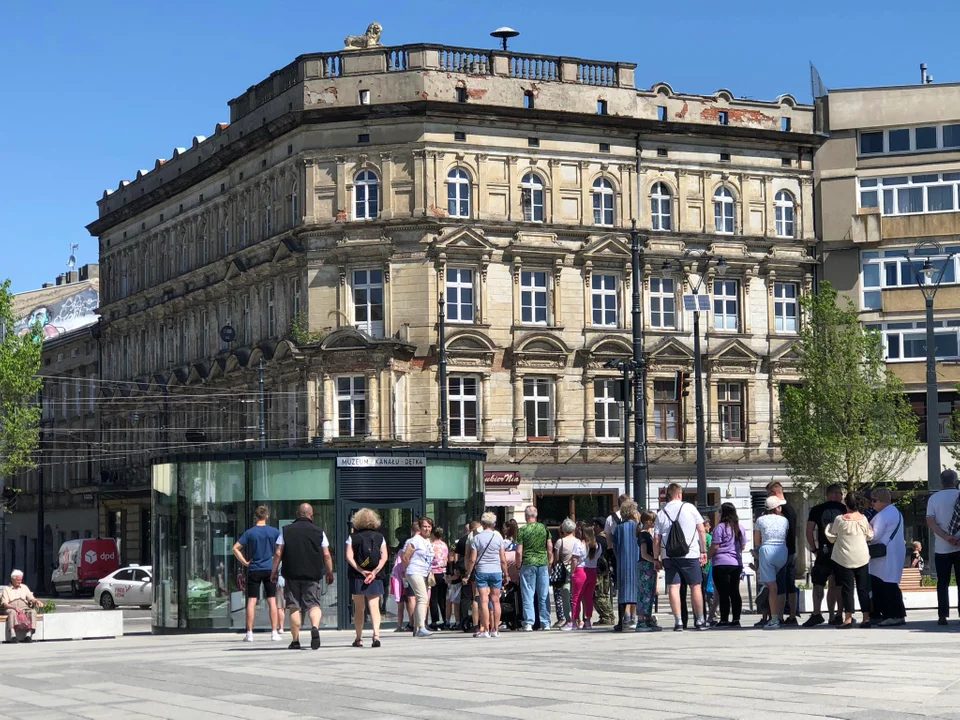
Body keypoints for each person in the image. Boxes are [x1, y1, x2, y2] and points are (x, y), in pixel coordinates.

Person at [270, 503, 334, 650]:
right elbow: (326, 555)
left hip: (291, 574)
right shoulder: (319, 532)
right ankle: (315, 627)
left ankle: (295, 640)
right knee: (313, 604)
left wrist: (273, 571)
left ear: (297, 514)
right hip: (312, 575)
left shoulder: (286, 531)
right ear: (311, 515)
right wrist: (329, 571)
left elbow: (278, 552)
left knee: (294, 607)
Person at [654, 483, 708, 632]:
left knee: (673, 587)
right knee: (695, 585)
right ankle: (700, 620)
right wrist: (703, 551)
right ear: (679, 494)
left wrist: (656, 557)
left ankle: (678, 622)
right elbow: (701, 530)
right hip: (690, 553)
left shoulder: (661, 512)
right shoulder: (690, 508)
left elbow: (656, 538)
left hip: (669, 555)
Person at [232, 505, 282, 642]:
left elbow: (235, 548)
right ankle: (274, 632)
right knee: (272, 600)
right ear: (266, 516)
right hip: (269, 568)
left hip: (254, 568)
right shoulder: (274, 532)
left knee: (251, 601)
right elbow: (280, 549)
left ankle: (249, 633)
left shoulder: (250, 533)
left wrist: (245, 562)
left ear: (256, 516)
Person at [825, 491, 874, 629]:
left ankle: (848, 618)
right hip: (862, 557)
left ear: (846, 503)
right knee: (863, 588)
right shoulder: (863, 518)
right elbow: (870, 535)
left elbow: (833, 534)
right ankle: (866, 618)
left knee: (847, 589)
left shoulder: (840, 519)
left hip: (844, 558)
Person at [804, 483, 846, 627]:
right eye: (839, 493)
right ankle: (837, 614)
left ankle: (817, 613)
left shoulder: (817, 509)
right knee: (837, 584)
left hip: (824, 551)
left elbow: (809, 530)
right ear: (834, 494)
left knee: (819, 582)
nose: (840, 496)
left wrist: (814, 549)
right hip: (841, 551)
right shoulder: (845, 510)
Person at [345, 507, 388, 647]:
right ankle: (376, 636)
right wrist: (374, 571)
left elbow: (348, 556)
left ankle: (359, 638)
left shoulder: (352, 537)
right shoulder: (380, 537)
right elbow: (384, 557)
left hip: (357, 575)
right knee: (374, 606)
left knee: (359, 607)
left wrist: (361, 570)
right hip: (375, 575)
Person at [465, 512, 509, 638]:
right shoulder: (498, 538)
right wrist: (506, 573)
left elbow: (472, 559)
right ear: (494, 524)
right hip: (496, 571)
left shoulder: (476, 538)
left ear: (482, 524)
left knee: (483, 600)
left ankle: (485, 630)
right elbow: (503, 558)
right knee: (496, 600)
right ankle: (495, 629)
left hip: (482, 571)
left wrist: (468, 574)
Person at [925, 468, 960, 626]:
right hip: (959, 546)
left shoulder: (934, 498)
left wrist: (945, 537)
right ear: (955, 480)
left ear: (941, 482)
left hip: (941, 547)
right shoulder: (959, 495)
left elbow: (930, 521)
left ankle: (942, 615)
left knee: (942, 583)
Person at [867, 489, 906, 627]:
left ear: (883, 500)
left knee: (885, 585)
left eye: (874, 500)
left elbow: (874, 535)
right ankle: (896, 614)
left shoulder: (883, 515)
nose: (872, 504)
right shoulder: (895, 512)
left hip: (884, 555)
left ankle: (893, 615)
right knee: (890, 584)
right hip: (893, 552)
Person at [752, 495, 790, 629]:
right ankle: (767, 585)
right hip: (782, 551)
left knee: (772, 587)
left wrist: (756, 554)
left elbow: (757, 542)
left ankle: (774, 619)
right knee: (778, 582)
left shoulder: (760, 520)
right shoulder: (785, 520)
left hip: (767, 550)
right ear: (777, 508)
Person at [766, 481, 798, 625]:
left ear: (774, 493)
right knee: (789, 582)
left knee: (781, 583)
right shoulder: (790, 508)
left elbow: (788, 532)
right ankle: (791, 615)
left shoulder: (784, 510)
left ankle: (779, 615)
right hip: (789, 549)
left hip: (782, 550)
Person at [516, 505, 553, 632]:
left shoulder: (523, 530)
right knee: (543, 594)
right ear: (535, 515)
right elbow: (549, 546)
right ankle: (545, 622)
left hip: (527, 563)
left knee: (528, 594)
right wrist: (550, 561)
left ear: (526, 516)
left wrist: (518, 564)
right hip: (542, 563)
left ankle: (528, 622)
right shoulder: (543, 528)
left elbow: (519, 551)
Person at [709, 502, 746, 628]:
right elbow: (743, 546)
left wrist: (706, 556)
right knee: (734, 591)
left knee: (723, 592)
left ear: (722, 513)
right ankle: (736, 619)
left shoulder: (719, 528)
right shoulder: (739, 527)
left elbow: (715, 546)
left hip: (721, 563)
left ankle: (724, 619)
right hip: (735, 563)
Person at [401, 516, 435, 637]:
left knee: (421, 598)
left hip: (424, 573)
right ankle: (421, 626)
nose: (427, 529)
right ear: (420, 528)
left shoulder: (427, 541)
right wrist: (406, 571)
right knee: (422, 598)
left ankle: (416, 627)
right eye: (424, 526)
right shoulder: (416, 540)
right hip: (415, 571)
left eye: (429, 526)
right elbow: (405, 557)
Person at [612, 500, 641, 631]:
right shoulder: (637, 527)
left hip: (623, 562)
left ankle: (626, 616)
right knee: (635, 589)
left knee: (624, 590)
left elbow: (615, 547)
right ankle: (631, 617)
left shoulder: (618, 528)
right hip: (636, 560)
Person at [605, 494, 631, 630]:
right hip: (632, 554)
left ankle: (622, 619)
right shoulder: (635, 517)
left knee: (620, 585)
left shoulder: (610, 518)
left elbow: (608, 538)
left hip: (617, 554)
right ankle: (631, 616)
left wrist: (610, 553)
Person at [636, 510, 660, 632]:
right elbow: (644, 554)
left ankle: (647, 618)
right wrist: (654, 560)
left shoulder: (647, 534)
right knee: (644, 593)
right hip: (645, 566)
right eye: (652, 520)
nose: (654, 523)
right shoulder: (644, 535)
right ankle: (641, 620)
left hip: (648, 566)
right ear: (647, 521)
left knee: (649, 592)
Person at [572, 525, 600, 630]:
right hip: (592, 571)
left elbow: (574, 559)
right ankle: (588, 621)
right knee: (588, 598)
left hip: (580, 570)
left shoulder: (579, 544)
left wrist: (572, 572)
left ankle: (574, 621)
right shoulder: (597, 546)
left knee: (576, 598)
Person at [1, 570, 41, 643]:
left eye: (21, 580)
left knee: (32, 612)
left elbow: (31, 598)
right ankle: (13, 636)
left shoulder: (24, 587)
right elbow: (5, 604)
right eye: (18, 580)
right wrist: (13, 607)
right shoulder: (6, 589)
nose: (20, 581)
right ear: (13, 579)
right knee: (12, 612)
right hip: (11, 607)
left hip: (24, 606)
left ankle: (28, 635)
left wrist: (36, 601)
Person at [553, 518, 577, 628]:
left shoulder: (560, 542)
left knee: (565, 596)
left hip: (564, 570)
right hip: (577, 569)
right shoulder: (578, 541)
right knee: (576, 596)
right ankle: (578, 619)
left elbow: (557, 558)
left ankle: (568, 620)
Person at [592, 518, 615, 626]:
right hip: (606, 570)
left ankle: (606, 616)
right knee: (605, 594)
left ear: (598, 526)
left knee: (598, 595)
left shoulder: (597, 539)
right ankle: (609, 615)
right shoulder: (608, 539)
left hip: (599, 571)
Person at [428, 526, 449, 631]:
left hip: (433, 572)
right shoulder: (444, 545)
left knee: (433, 598)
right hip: (443, 572)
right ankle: (445, 619)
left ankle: (434, 621)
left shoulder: (430, 545)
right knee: (442, 598)